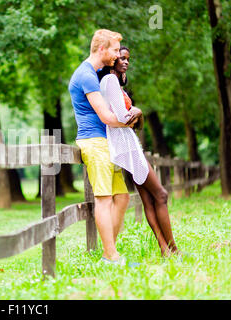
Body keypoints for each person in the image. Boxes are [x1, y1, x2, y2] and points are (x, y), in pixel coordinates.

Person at [97, 46, 181, 257]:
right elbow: (124, 118)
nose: (126, 62)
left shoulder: (114, 83)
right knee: (161, 195)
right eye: (122, 58)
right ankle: (173, 249)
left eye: (128, 59)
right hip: (126, 146)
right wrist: (138, 111)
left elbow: (132, 122)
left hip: (127, 144)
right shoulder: (110, 81)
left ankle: (165, 249)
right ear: (112, 61)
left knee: (149, 199)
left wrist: (136, 116)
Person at [68, 29, 141, 265]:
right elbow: (107, 116)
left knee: (122, 197)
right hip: (94, 142)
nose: (117, 55)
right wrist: (133, 119)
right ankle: (110, 255)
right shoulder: (86, 75)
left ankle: (109, 252)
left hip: (107, 141)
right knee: (104, 198)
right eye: (113, 50)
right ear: (102, 49)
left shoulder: (96, 72)